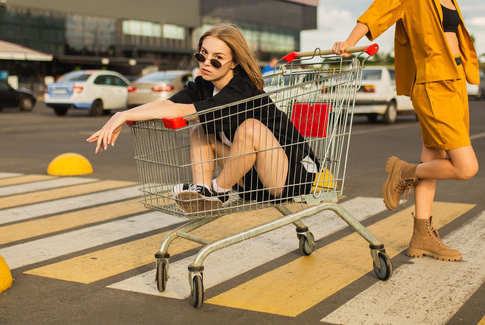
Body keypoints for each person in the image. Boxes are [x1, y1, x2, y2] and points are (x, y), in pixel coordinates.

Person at [332, 0, 479, 262]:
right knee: (465, 166)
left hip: (454, 82)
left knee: (434, 158)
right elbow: (381, 8)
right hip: (433, 84)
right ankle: (404, 172)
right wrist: (349, 42)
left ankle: (421, 236)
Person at [88, 24, 319, 214]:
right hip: (250, 180)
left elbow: (186, 111)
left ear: (235, 62)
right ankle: (203, 190)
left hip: (287, 178)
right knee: (201, 130)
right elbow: (169, 104)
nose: (207, 63)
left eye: (217, 58)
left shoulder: (243, 87)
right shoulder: (203, 85)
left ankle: (218, 193)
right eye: (202, 54)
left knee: (250, 128)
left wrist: (126, 114)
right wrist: (123, 114)